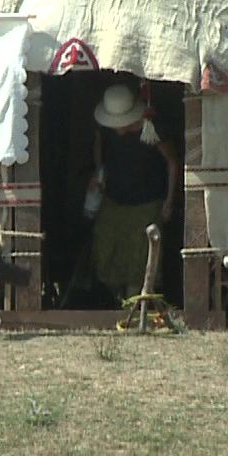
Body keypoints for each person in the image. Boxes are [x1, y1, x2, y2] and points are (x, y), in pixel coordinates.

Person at [88, 82, 179, 302]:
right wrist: (99, 173)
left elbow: (172, 162)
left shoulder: (151, 128)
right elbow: (98, 146)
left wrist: (169, 201)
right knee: (106, 245)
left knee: (141, 255)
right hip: (114, 198)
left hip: (147, 201)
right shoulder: (106, 131)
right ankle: (116, 297)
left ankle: (135, 302)